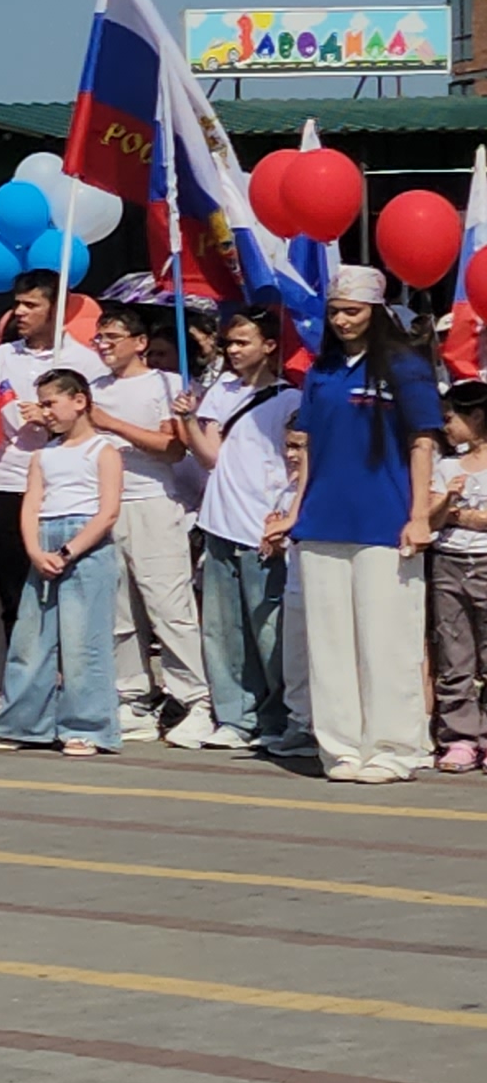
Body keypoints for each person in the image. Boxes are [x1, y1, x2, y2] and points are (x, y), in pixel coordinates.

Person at [274, 268, 443, 783]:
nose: (343, 320)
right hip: (323, 521)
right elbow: (310, 451)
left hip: (385, 523)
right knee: (328, 644)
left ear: (376, 311)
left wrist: (417, 516)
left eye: (354, 310)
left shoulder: (404, 366)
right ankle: (341, 747)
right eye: (336, 311)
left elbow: (422, 442)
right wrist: (296, 512)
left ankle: (395, 747)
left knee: (386, 640)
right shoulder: (321, 372)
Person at [0, 370, 129, 756]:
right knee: (30, 639)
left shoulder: (104, 451)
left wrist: (70, 551)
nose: (45, 412)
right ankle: (20, 722)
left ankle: (87, 725)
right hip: (44, 540)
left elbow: (108, 511)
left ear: (79, 401)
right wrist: (35, 550)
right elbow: (31, 504)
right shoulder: (42, 455)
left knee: (84, 640)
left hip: (86, 544)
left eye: (51, 403)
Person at [86, 304, 209, 745]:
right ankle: (133, 694)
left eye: (112, 338)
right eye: (98, 339)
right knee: (118, 610)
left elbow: (172, 449)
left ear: (139, 343)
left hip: (154, 503)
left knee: (168, 605)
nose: (103, 347)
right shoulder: (94, 388)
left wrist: (110, 424)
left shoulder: (165, 384)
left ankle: (195, 697)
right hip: (107, 506)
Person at [179, 306, 297, 752]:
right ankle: (234, 715)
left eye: (242, 342)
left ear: (269, 346)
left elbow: (293, 465)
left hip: (260, 522)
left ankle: (277, 714)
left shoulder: (289, 398)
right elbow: (211, 456)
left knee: (267, 627)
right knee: (223, 627)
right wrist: (189, 420)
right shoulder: (220, 391)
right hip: (219, 519)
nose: (232, 350)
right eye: (228, 343)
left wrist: (284, 516)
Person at [0, 271, 107, 677]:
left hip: (64, 494)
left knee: (65, 597)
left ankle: (67, 682)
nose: (20, 312)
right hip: (8, 483)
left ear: (56, 309)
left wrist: (52, 420)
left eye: (31, 305)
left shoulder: (84, 362)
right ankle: (21, 686)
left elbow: (95, 426)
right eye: (17, 303)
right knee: (14, 594)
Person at [431, 383, 487, 772]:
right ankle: (460, 738)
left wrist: (465, 517)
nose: (445, 426)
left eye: (451, 418)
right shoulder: (446, 466)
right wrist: (446, 502)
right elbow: (430, 519)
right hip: (448, 562)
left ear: (476, 417)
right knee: (454, 655)